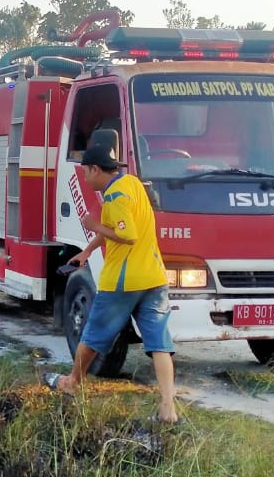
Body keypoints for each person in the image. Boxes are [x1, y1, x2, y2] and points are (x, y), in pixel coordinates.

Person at [49, 143, 179, 425]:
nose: (84, 176)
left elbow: (127, 234)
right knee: (159, 342)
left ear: (96, 169)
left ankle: (72, 381)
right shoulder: (130, 183)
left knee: (93, 335)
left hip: (123, 280)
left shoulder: (115, 197)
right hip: (153, 278)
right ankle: (168, 407)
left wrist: (93, 226)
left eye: (85, 171)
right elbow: (120, 226)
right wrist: (88, 250)